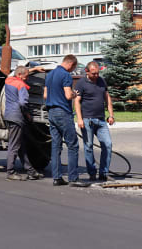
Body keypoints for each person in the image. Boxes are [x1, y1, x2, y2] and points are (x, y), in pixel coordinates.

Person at [44, 54, 83, 187]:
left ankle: (57, 177)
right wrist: (74, 94)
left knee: (56, 146)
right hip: (63, 113)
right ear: (71, 64)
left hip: (51, 112)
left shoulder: (49, 75)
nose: (72, 70)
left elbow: (45, 95)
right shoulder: (66, 75)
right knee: (73, 145)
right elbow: (68, 95)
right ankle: (73, 178)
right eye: (74, 68)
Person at [74, 61, 114, 181]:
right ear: (87, 71)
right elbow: (77, 101)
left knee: (107, 144)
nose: (96, 76)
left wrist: (111, 115)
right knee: (89, 146)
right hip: (87, 120)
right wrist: (79, 119)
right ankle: (92, 172)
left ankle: (104, 172)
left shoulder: (101, 81)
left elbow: (107, 98)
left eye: (97, 73)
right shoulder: (81, 83)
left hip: (101, 120)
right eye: (93, 74)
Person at [4, 65, 43, 181]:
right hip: (17, 117)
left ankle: (31, 171)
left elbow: (15, 73)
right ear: (20, 75)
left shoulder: (9, 80)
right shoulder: (21, 85)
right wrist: (27, 114)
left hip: (9, 115)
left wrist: (34, 69)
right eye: (25, 77)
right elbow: (22, 103)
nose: (27, 78)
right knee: (14, 146)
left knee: (20, 145)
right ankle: (10, 172)